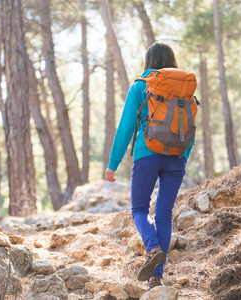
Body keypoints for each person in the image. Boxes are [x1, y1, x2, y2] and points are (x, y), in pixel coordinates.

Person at [105, 42, 194, 290]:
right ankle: (157, 277)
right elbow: (191, 125)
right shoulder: (184, 89)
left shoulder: (140, 86)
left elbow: (125, 128)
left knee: (139, 210)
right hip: (176, 157)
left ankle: (152, 247)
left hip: (147, 155)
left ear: (149, 61)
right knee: (164, 215)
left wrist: (113, 163)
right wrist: (183, 155)